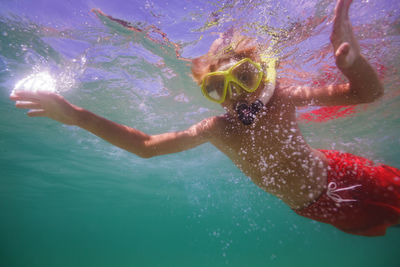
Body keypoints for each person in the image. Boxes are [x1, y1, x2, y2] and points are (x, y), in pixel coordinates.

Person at [10, 0, 400, 236]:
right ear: (211, 95)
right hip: (316, 206)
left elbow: (369, 93)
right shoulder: (218, 129)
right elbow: (146, 146)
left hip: (343, 172)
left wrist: (351, 62)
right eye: (220, 87)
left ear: (260, 75)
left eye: (245, 78)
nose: (237, 95)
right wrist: (78, 115)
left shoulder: (282, 98)